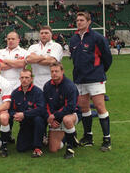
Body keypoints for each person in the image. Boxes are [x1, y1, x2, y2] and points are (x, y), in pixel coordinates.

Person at [69, 12, 113, 152]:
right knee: (84, 108)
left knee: (100, 107)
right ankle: (88, 136)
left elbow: (107, 58)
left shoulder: (97, 38)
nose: (79, 22)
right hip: (79, 79)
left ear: (89, 22)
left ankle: (107, 139)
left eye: (82, 20)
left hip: (95, 78)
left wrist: (99, 71)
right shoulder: (74, 39)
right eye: (77, 20)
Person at [43, 62, 80, 159]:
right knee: (53, 149)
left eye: (56, 71)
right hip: (56, 117)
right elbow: (45, 105)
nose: (54, 73)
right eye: (52, 71)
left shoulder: (69, 86)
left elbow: (71, 107)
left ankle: (70, 149)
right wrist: (50, 119)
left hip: (72, 114)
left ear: (62, 71)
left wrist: (55, 116)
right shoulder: (47, 86)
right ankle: (70, 136)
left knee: (67, 120)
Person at [0, 31, 28, 143]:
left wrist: (5, 61)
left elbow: (22, 64)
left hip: (19, 86)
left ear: (18, 40)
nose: (10, 41)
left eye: (13, 39)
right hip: (4, 87)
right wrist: (15, 63)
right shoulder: (1, 52)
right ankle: (7, 136)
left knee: (21, 111)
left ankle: (24, 134)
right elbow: (0, 66)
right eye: (8, 39)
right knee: (6, 111)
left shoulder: (24, 52)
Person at [8, 69, 46, 157]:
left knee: (38, 119)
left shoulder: (38, 92)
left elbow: (41, 109)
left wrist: (24, 114)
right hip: (24, 123)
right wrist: (15, 115)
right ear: (19, 79)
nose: (24, 80)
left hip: (37, 121)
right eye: (22, 77)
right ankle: (34, 139)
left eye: (27, 77)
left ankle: (37, 148)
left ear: (31, 79)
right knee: (20, 148)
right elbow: (10, 110)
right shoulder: (15, 93)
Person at [25, 26, 63, 90]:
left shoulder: (56, 46)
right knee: (38, 99)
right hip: (36, 79)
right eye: (42, 33)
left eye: (46, 33)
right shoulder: (33, 47)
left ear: (51, 34)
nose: (43, 35)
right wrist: (45, 57)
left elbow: (52, 61)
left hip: (51, 78)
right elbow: (28, 59)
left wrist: (35, 58)